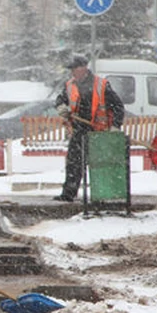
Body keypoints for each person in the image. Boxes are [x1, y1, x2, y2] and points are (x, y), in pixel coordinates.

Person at [53, 54, 124, 202]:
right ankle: (68, 194)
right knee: (73, 163)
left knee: (101, 165)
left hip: (99, 132)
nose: (72, 72)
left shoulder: (101, 85)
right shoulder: (70, 85)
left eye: (75, 68)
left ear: (84, 68)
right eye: (71, 69)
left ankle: (105, 195)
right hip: (78, 130)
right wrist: (61, 106)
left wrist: (116, 126)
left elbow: (118, 106)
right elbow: (61, 99)